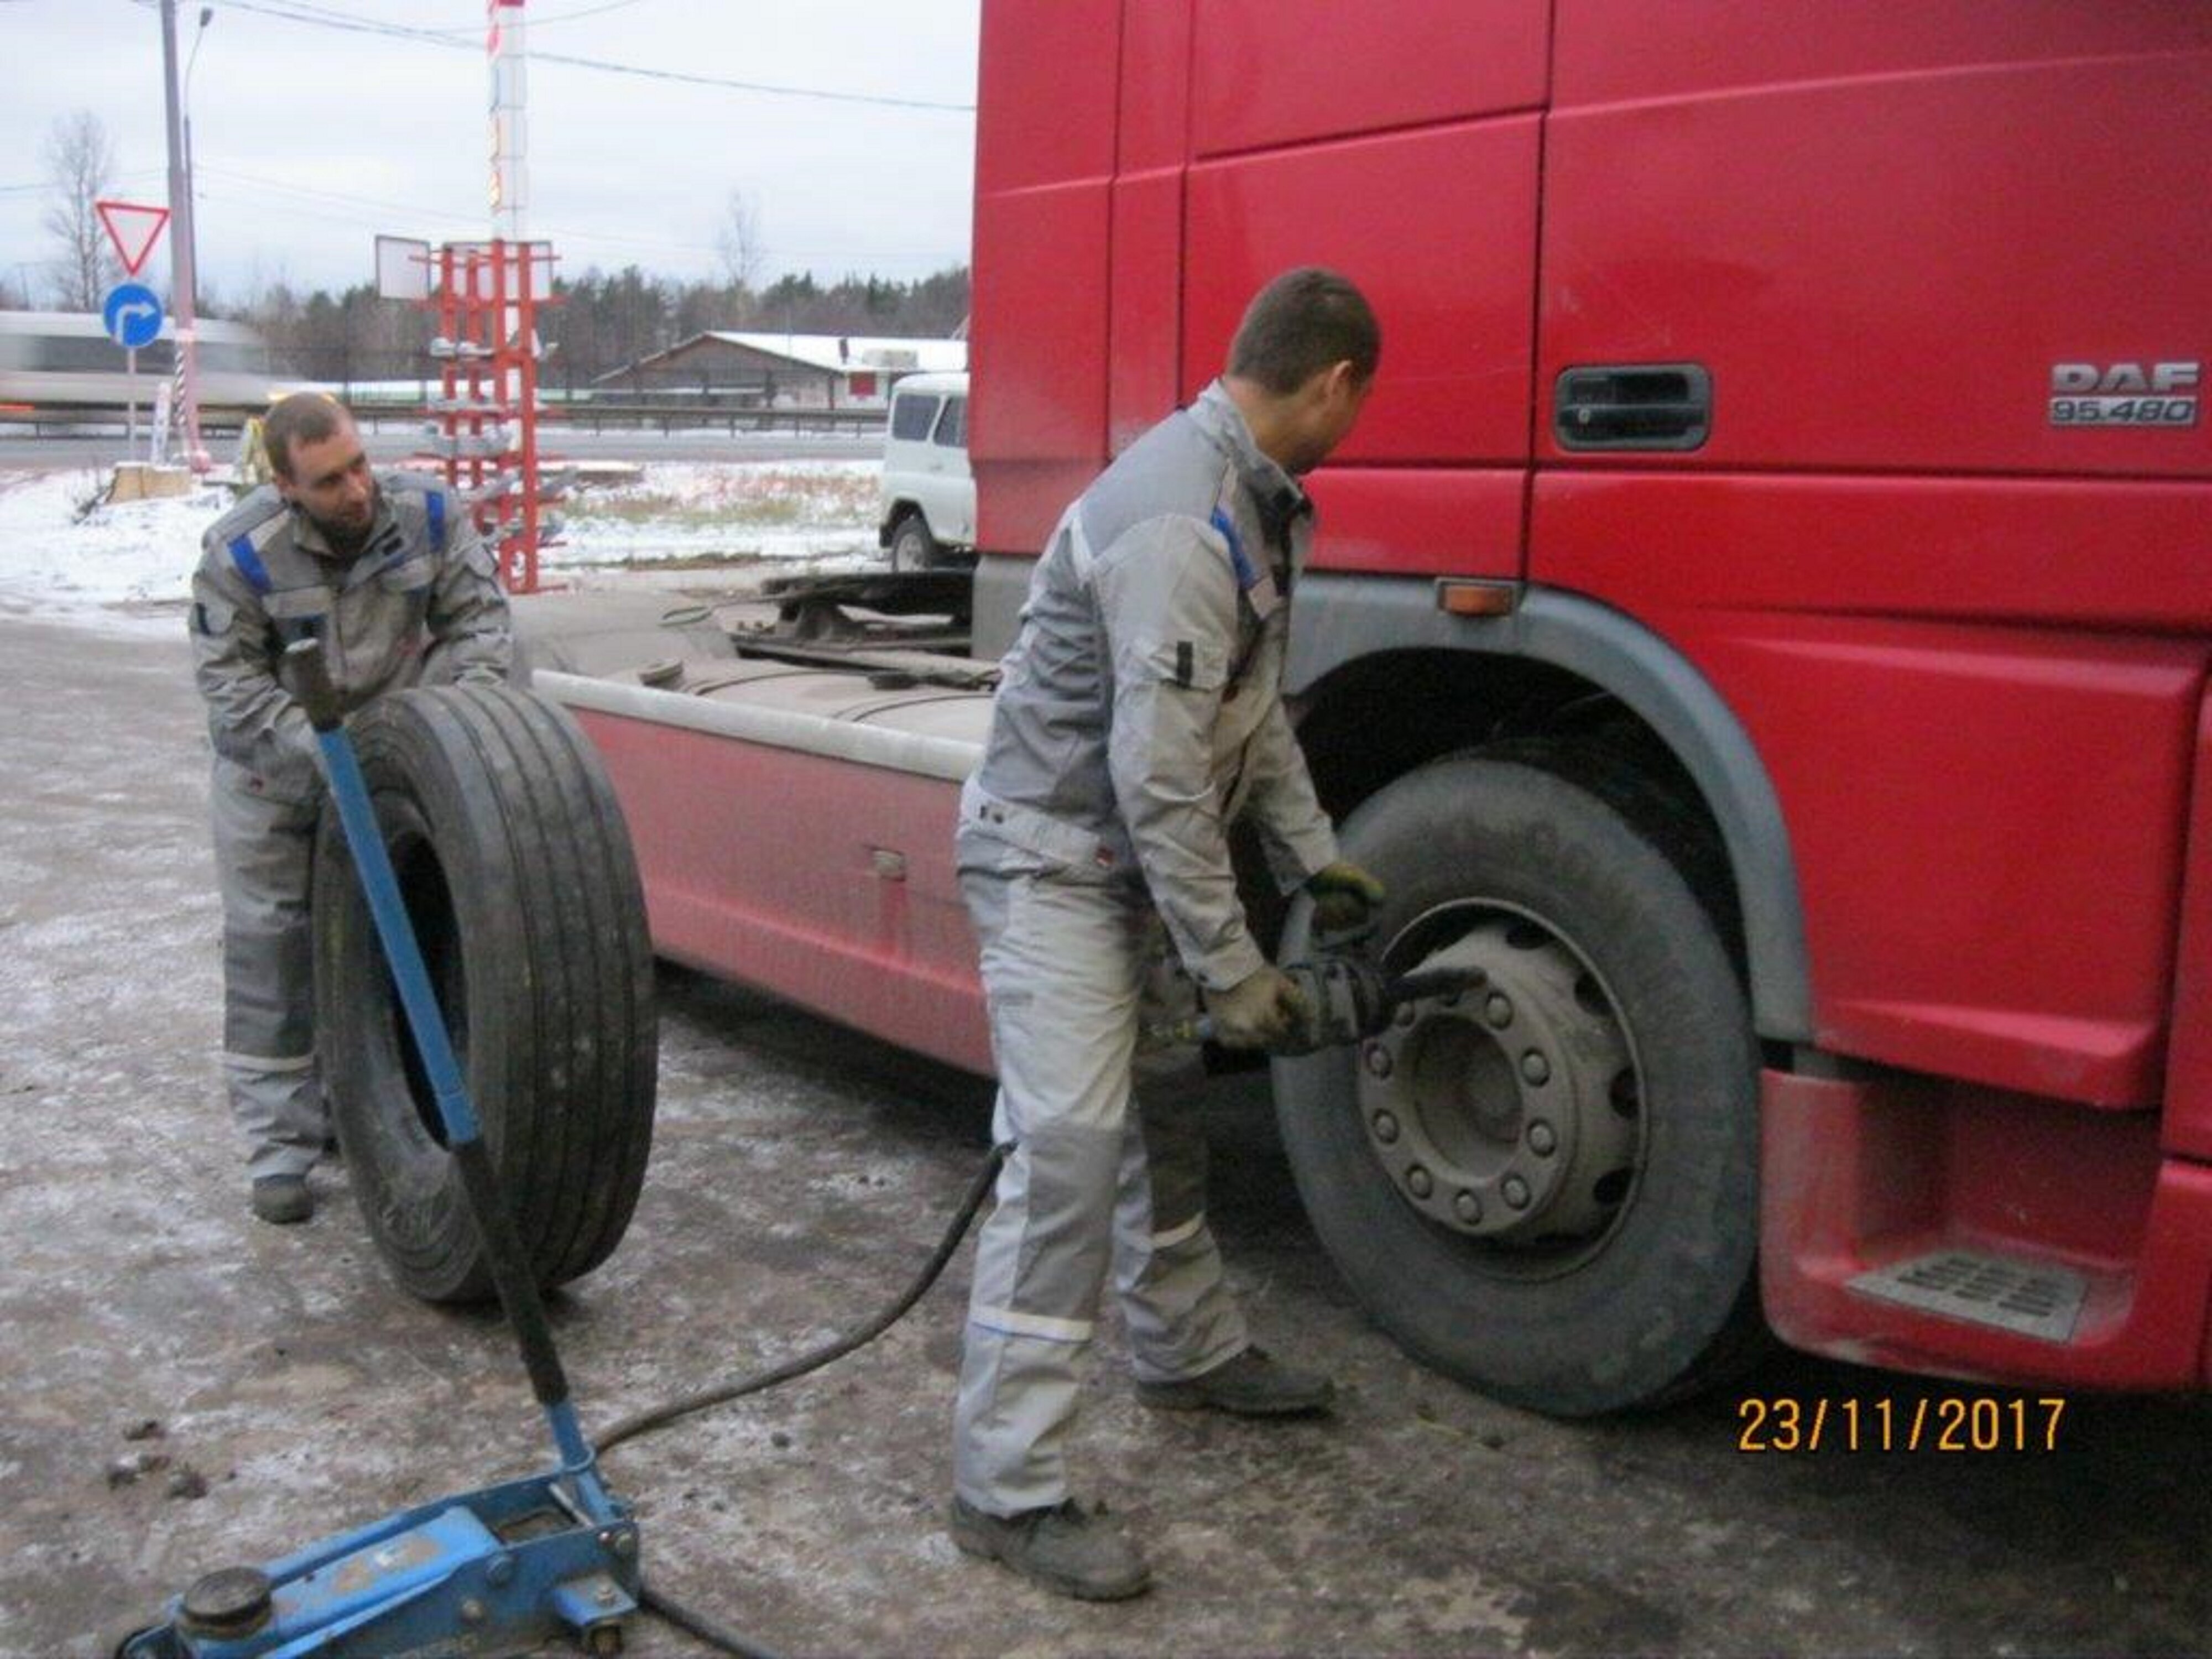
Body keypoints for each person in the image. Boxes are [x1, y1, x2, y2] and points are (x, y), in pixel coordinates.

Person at [948, 268, 1388, 1600]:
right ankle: (1004, 1487)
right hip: (1050, 862)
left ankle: (1185, 1350)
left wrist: (1320, 868)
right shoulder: (1182, 525)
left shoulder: (1255, 496)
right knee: (1072, 1147)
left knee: (1166, 1106)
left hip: (1122, 863)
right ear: (1334, 384)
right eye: (1363, 402)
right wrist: (1235, 970)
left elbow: (1244, 724)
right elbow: (1152, 778)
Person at [190, 393, 512, 1225]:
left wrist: (425, 736)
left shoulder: (431, 518)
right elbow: (230, 690)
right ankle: (280, 1150)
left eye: (360, 464)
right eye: (330, 481)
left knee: (393, 938)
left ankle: (372, 1108)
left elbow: (482, 629)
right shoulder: (241, 554)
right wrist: (324, 751)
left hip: (392, 765)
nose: (358, 490)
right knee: (274, 952)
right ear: (287, 486)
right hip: (278, 781)